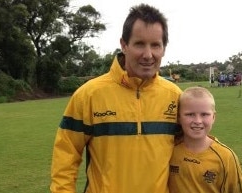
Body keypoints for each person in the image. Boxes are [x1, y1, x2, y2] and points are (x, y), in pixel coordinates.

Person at [50, 4, 182, 193]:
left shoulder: (175, 96)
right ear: (124, 45)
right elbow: (66, 155)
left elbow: (193, 150)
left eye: (155, 45)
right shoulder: (88, 95)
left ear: (163, 48)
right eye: (139, 44)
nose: (148, 54)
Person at [168, 86, 242, 193]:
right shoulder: (169, 151)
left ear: (213, 117)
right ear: (179, 117)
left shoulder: (226, 156)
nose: (198, 121)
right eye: (190, 114)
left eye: (204, 114)